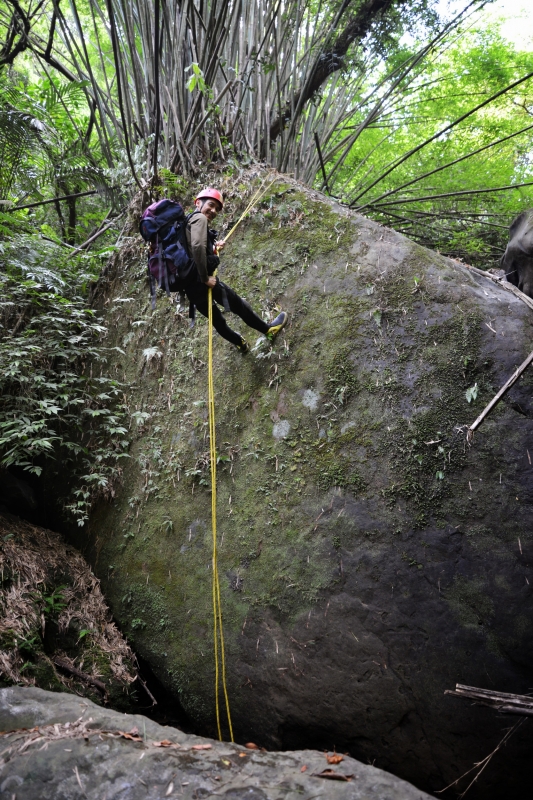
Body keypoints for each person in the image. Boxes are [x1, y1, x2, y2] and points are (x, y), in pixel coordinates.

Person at [184, 188, 288, 353]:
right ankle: (269, 330)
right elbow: (197, 247)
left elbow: (192, 248)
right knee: (238, 305)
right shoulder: (200, 218)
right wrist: (205, 278)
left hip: (191, 287)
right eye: (211, 205)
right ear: (198, 203)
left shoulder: (188, 221)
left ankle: (240, 343)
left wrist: (213, 247)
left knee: (217, 321)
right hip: (203, 282)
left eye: (217, 209)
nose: (213, 211)